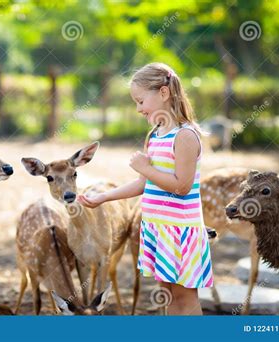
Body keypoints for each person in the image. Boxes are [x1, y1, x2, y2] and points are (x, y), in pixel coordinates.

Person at [78, 62, 213, 315]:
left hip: (179, 231)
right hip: (158, 228)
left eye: (140, 101)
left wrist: (146, 168)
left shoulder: (185, 136)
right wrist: (104, 197)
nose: (138, 108)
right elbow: (144, 183)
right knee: (169, 296)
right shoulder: (156, 134)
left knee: (184, 298)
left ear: (163, 93)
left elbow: (182, 186)